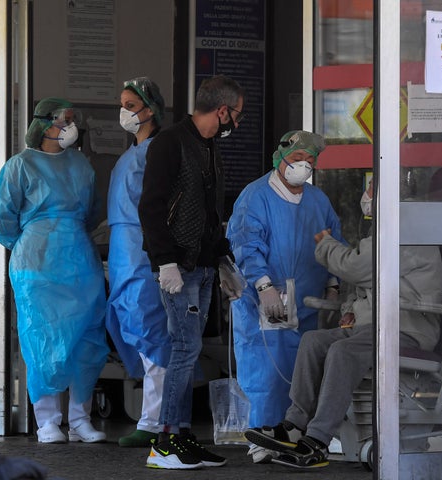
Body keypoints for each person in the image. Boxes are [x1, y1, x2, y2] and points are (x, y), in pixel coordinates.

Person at [244, 180, 442, 468]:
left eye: (374, 187)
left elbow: (356, 267)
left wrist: (325, 244)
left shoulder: (408, 231)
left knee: (342, 351)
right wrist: (351, 309)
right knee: (313, 342)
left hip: (406, 328)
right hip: (377, 324)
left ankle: (317, 440)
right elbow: (369, 283)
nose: (367, 193)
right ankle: (295, 424)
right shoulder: (388, 228)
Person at [138, 74, 246, 469]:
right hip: (177, 266)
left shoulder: (210, 148)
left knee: (190, 348)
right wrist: (164, 260)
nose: (238, 121)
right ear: (222, 110)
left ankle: (182, 435)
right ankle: (165, 440)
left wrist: (222, 260)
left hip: (200, 265)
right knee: (185, 348)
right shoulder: (170, 143)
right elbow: (150, 206)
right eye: (237, 113)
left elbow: (210, 215)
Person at [0, 97, 109, 444]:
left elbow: (91, 212)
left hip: (79, 261)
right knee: (42, 338)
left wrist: (63, 238)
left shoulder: (82, 166)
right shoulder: (19, 166)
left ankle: (80, 419)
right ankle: (47, 422)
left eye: (73, 120)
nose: (70, 127)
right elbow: (2, 222)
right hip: (37, 266)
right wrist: (34, 244)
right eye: (63, 120)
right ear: (44, 124)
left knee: (87, 337)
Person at [226, 130, 343, 464]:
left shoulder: (317, 200)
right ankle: (262, 433)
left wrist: (333, 283)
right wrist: (263, 287)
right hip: (267, 300)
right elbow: (246, 244)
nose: (303, 167)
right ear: (279, 158)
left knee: (303, 368)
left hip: (307, 302)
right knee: (267, 366)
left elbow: (333, 242)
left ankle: (295, 432)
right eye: (297, 159)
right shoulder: (256, 197)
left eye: (309, 161)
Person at [105, 77, 169, 448]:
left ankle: (154, 419)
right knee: (130, 323)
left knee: (150, 328)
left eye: (131, 104)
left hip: (142, 250)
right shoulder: (132, 154)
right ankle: (153, 415)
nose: (124, 111)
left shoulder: (158, 151)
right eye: (122, 103)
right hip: (123, 247)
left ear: (150, 109)